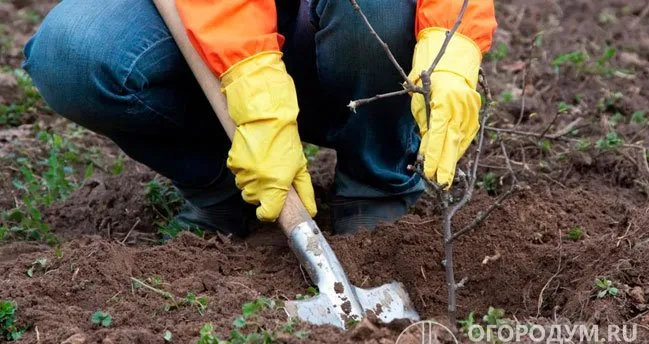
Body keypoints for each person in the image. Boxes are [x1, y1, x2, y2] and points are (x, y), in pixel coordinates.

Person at [23, 0, 496, 237]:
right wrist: (250, 80)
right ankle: (227, 188)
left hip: (339, 27)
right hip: (212, 13)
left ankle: (377, 182)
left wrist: (451, 38)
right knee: (72, 52)